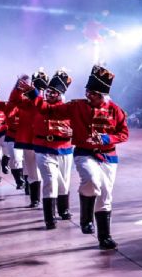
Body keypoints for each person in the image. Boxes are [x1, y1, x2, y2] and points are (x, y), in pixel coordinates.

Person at [22, 65, 129, 249]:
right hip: (84, 153)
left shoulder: (115, 111)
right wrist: (34, 94)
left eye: (92, 94)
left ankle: (105, 237)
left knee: (105, 195)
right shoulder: (77, 106)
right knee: (92, 180)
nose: (88, 95)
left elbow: (124, 133)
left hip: (108, 157)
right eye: (87, 92)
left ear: (102, 96)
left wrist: (107, 138)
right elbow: (49, 110)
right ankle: (86, 219)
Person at [30, 70, 75, 229]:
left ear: (60, 95)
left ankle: (64, 209)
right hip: (44, 149)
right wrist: (31, 90)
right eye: (48, 91)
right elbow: (34, 103)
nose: (49, 94)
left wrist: (73, 132)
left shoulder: (68, 108)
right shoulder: (38, 105)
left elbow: (80, 126)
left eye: (53, 92)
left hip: (64, 149)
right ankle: (49, 218)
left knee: (64, 182)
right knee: (50, 181)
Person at [12, 70, 49, 208]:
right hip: (29, 141)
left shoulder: (50, 101)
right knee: (32, 171)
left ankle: (55, 203)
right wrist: (17, 88)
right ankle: (35, 199)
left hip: (46, 142)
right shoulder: (26, 101)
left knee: (50, 174)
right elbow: (14, 102)